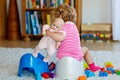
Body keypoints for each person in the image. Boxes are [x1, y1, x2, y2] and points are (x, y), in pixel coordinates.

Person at [46, 3, 100, 72]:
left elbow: (59, 38)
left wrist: (48, 33)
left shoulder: (62, 27)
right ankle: (92, 67)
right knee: (85, 49)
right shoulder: (74, 26)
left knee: (54, 51)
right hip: (76, 56)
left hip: (62, 57)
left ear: (59, 16)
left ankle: (54, 64)